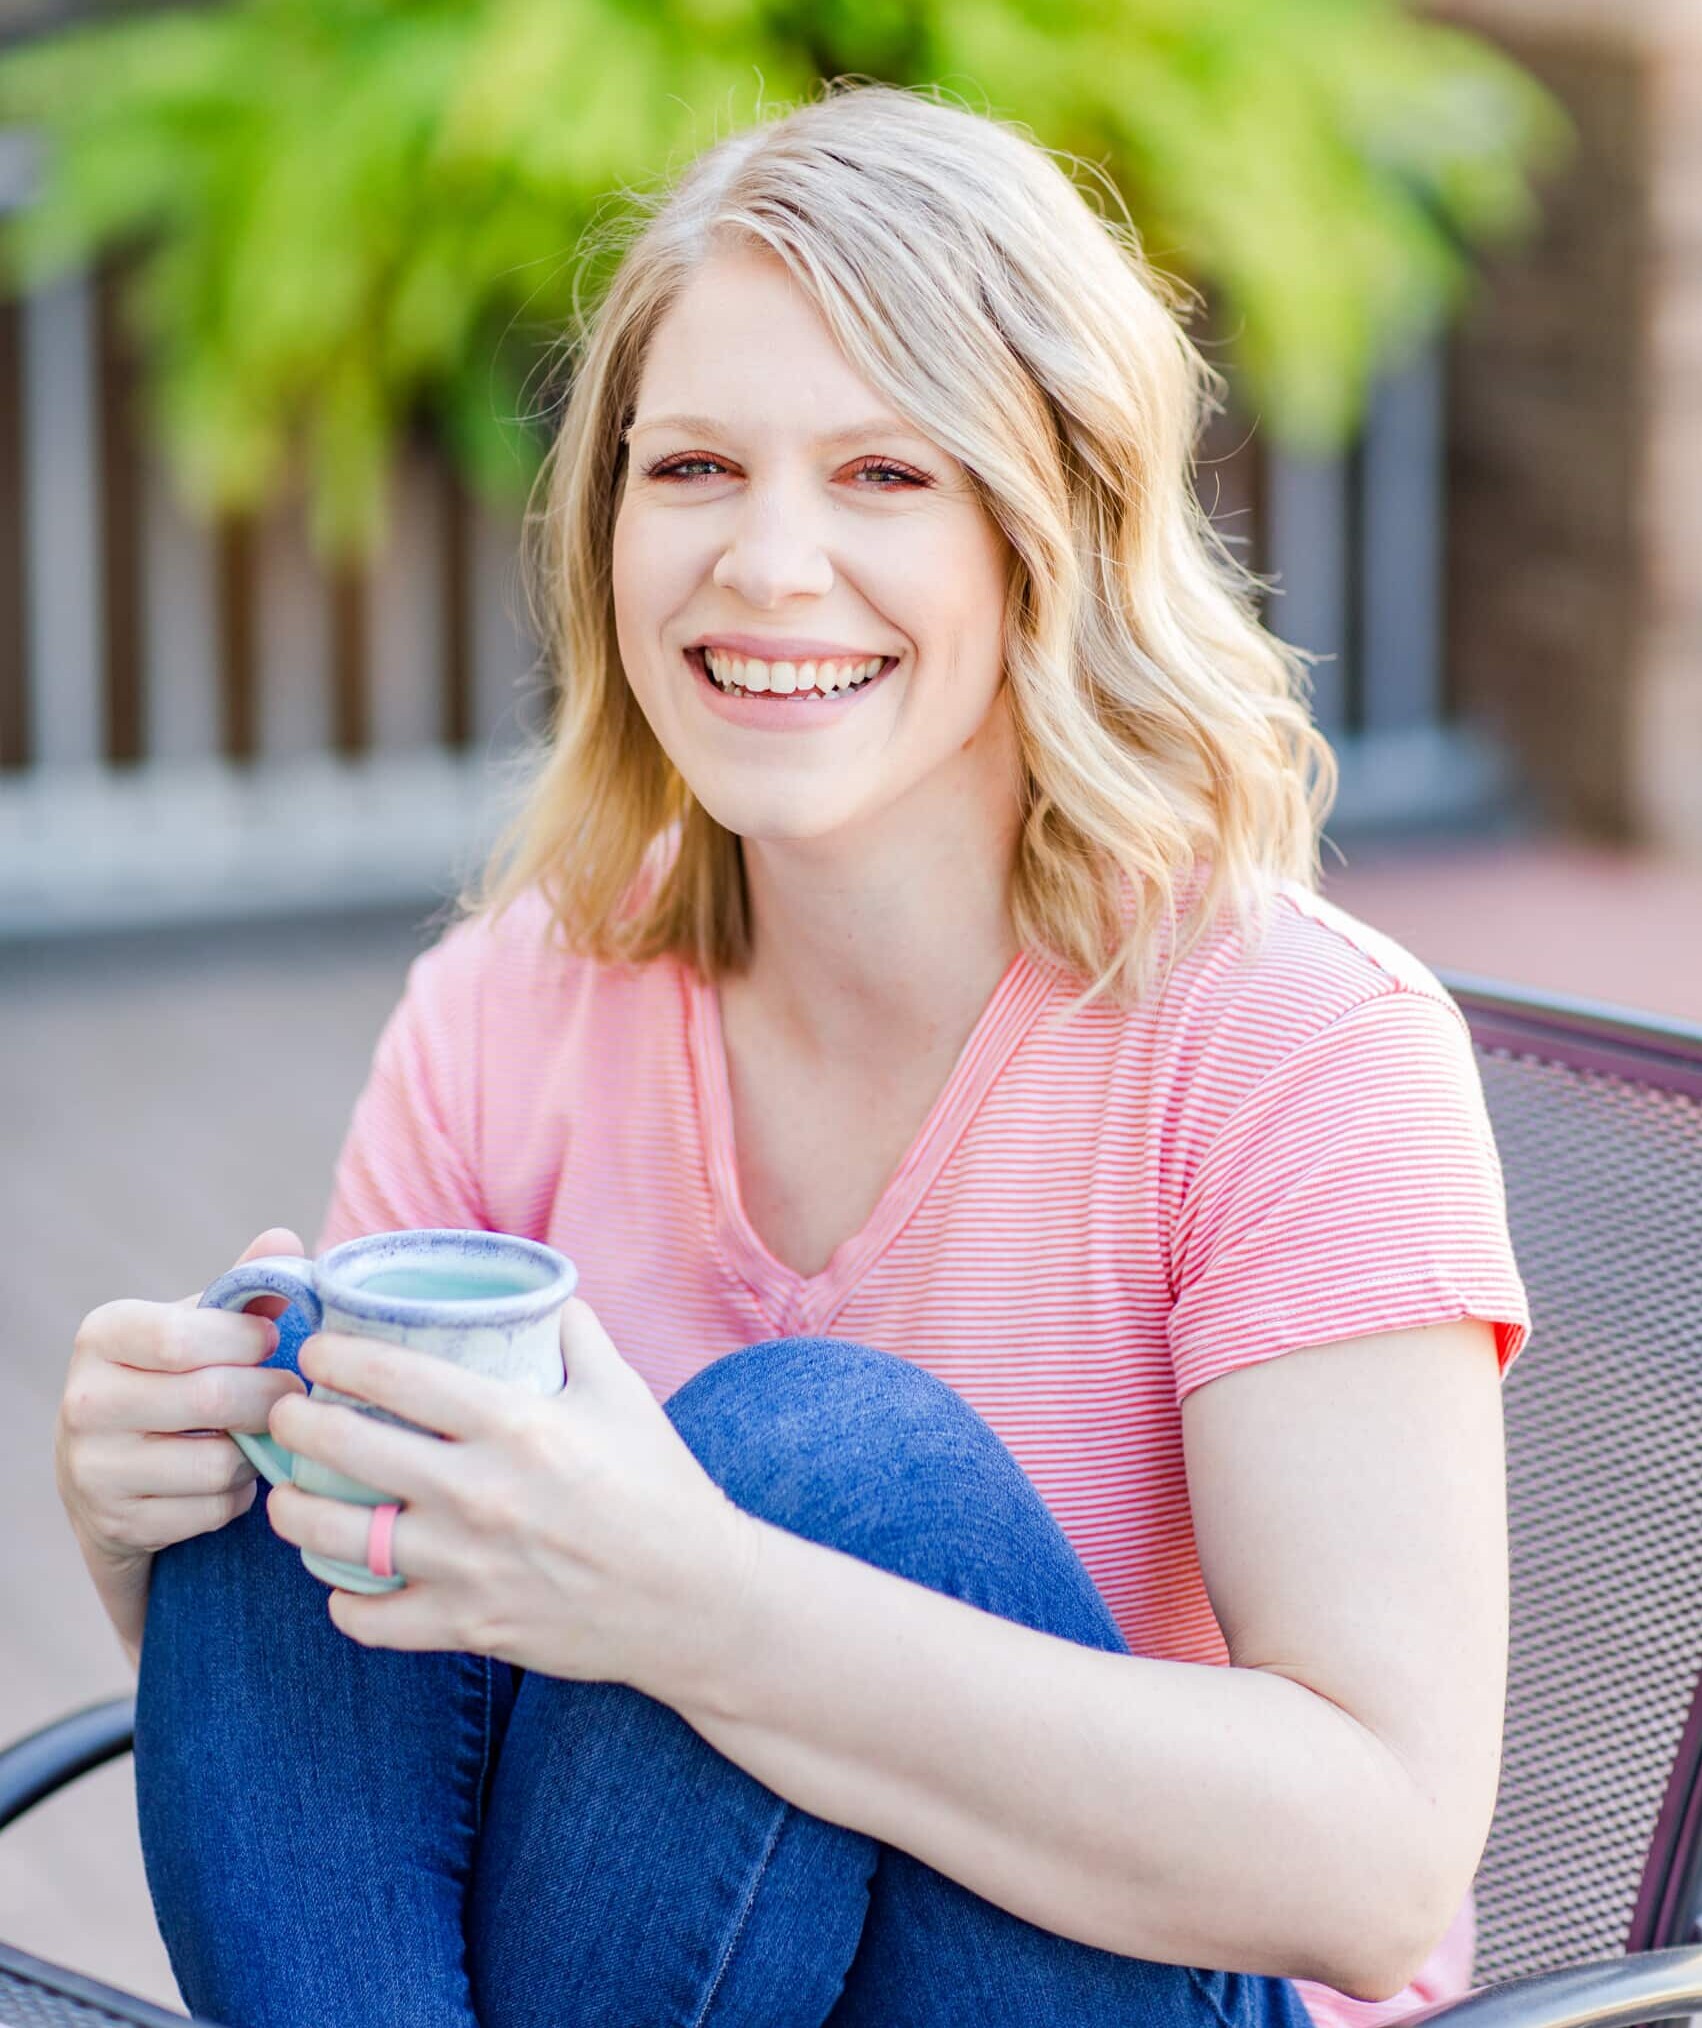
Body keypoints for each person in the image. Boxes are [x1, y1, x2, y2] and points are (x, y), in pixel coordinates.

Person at [53, 80, 1530, 2028]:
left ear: (1054, 531)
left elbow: (1370, 1865)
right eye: (689, 471)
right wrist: (143, 1513)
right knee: (316, 1421)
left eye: (882, 475)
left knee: (818, 1466)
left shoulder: (1297, 1048)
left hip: (1123, 1984)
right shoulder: (509, 1005)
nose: (762, 566)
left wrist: (692, 1596)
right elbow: (381, 1708)